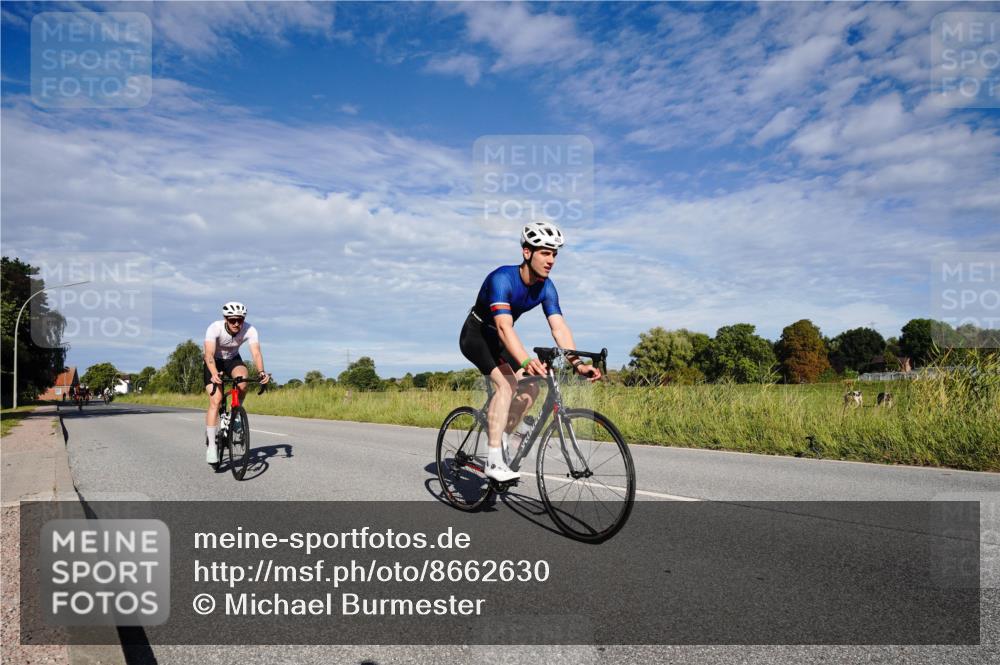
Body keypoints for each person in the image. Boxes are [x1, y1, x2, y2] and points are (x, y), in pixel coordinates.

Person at [459, 221, 601, 482]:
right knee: (506, 386)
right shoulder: (502, 278)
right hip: (477, 335)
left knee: (532, 386)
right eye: (545, 253)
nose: (551, 260)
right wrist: (525, 359)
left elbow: (559, 328)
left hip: (502, 339)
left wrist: (577, 363)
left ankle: (501, 437)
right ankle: (492, 461)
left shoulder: (547, 287)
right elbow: (503, 327)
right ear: (527, 252)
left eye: (555, 254)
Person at [203, 302, 271, 464]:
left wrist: (261, 372)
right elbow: (209, 354)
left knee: (242, 382)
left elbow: (256, 353)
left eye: (240, 320)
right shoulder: (215, 328)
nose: (236, 324)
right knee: (216, 400)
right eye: (232, 320)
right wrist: (214, 373)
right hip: (213, 362)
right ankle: (212, 446)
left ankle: (236, 414)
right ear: (226, 318)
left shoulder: (250, 329)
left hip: (232, 360)